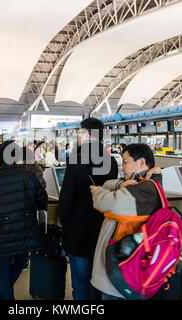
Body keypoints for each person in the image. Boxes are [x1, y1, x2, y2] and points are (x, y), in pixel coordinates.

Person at [89, 143, 163, 300]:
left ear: (141, 162)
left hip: (121, 277)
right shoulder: (138, 182)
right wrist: (119, 184)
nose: (122, 168)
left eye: (125, 162)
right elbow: (109, 184)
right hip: (122, 267)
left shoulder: (147, 190)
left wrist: (97, 192)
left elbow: (106, 203)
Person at [59, 117, 118, 300]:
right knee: (100, 281)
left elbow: (66, 197)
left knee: (80, 282)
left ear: (87, 134)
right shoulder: (112, 161)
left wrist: (65, 223)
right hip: (104, 229)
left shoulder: (76, 159)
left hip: (78, 230)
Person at [0, 142, 48, 300]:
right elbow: (42, 201)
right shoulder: (30, 177)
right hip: (24, 231)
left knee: (4, 272)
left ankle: (1, 293)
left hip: (0, 233)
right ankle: (0, 293)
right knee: (20, 263)